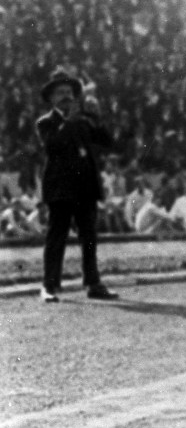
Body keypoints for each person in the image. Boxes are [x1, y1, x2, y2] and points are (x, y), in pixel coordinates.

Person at [35, 67, 118, 301]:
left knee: (89, 237)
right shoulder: (45, 123)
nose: (66, 96)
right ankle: (49, 286)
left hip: (85, 187)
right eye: (60, 92)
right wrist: (72, 120)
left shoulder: (83, 121)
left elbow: (107, 141)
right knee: (56, 237)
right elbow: (54, 146)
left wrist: (97, 117)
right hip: (61, 189)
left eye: (70, 91)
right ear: (51, 98)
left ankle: (93, 283)